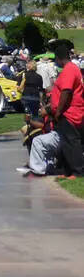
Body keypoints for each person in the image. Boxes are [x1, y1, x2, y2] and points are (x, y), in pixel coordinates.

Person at [51, 43, 84, 177]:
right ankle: (66, 170)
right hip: (68, 112)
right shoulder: (72, 68)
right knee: (65, 142)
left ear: (59, 58)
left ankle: (78, 172)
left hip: (69, 113)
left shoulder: (69, 70)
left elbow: (66, 91)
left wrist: (58, 111)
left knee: (72, 143)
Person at [18, 102, 61, 177]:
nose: (40, 109)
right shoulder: (47, 117)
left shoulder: (53, 113)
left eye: (41, 108)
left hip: (60, 138)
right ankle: (41, 166)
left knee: (37, 140)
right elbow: (43, 125)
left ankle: (37, 171)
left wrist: (30, 121)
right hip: (55, 140)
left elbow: (42, 126)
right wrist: (29, 121)